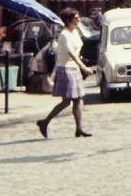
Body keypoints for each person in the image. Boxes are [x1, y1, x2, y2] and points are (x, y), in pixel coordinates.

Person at [37, 8, 94, 138]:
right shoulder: (64, 34)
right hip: (66, 69)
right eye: (75, 18)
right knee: (67, 101)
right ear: (68, 20)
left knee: (78, 99)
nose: (78, 19)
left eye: (78, 17)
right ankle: (45, 122)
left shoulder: (75, 32)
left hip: (74, 68)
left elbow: (77, 52)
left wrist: (81, 66)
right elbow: (71, 54)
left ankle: (79, 128)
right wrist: (84, 68)